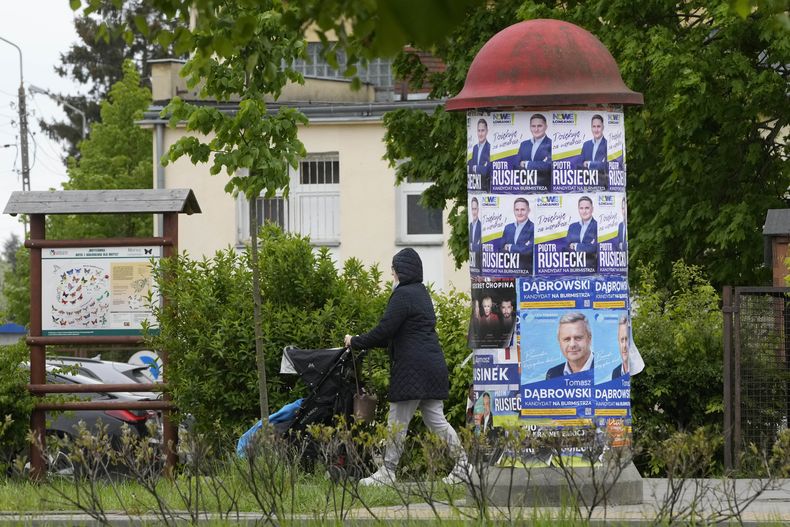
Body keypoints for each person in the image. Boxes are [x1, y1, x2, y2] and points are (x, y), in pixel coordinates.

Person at [344, 248, 468, 486]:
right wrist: (362, 340)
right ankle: (464, 465)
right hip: (432, 366)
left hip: (412, 369)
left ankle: (388, 472)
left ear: (400, 271)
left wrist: (354, 341)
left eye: (393, 271)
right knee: (437, 421)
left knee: (396, 422)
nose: (392, 277)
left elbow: (385, 330)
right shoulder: (422, 293)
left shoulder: (403, 295)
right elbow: (392, 334)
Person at [545, 312, 594, 380]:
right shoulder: (553, 374)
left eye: (578, 338)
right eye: (566, 339)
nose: (572, 344)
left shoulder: (603, 369)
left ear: (589, 339)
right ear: (559, 342)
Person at [500, 198, 534, 271]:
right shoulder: (508, 228)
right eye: (517, 210)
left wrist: (510, 247)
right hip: (509, 272)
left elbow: (529, 250)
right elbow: (500, 249)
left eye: (522, 209)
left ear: (528, 210)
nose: (519, 213)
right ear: (514, 211)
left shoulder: (533, 228)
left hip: (527, 274)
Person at [612, 314, 630, 380]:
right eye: (622, 340)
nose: (624, 345)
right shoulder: (615, 373)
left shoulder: (636, 368)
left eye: (627, 339)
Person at [469, 196, 482, 269]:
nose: (474, 212)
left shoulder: (481, 226)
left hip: (480, 264)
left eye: (475, 209)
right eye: (472, 209)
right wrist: (474, 245)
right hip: (473, 263)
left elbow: (480, 247)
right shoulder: (470, 225)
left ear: (478, 209)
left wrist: (471, 246)